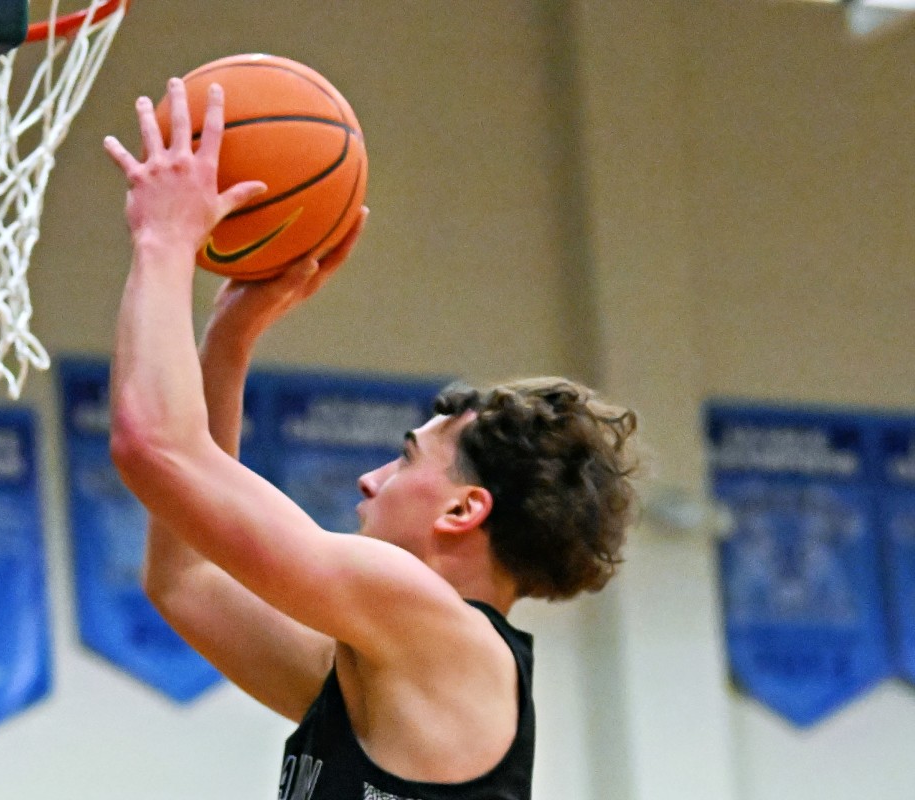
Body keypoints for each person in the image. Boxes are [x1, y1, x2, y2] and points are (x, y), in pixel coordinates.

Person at [103, 78, 639, 800]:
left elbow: (153, 447)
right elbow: (187, 581)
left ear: (463, 510)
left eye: (408, 457)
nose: (371, 478)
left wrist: (164, 239)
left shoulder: (430, 625)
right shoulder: (385, 666)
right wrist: (230, 338)